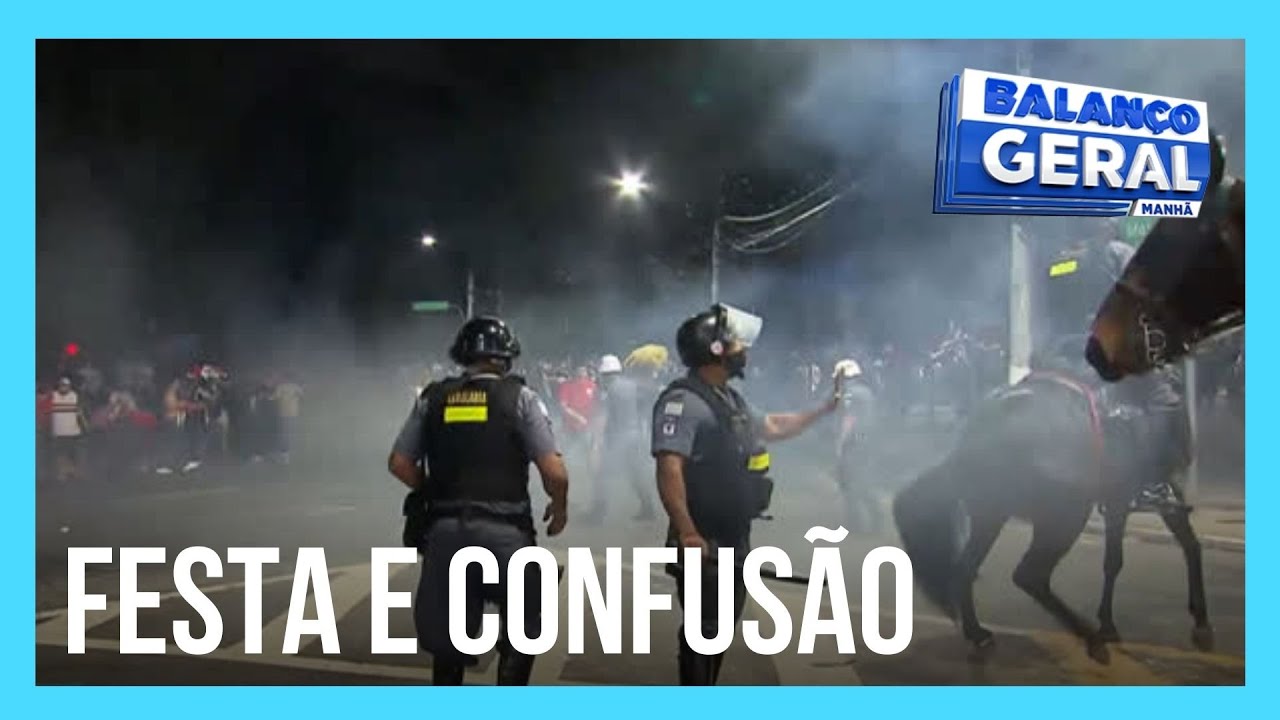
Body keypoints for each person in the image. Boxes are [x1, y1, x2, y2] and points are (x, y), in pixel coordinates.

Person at [651, 303, 840, 685]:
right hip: (702, 537)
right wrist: (687, 532)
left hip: (734, 535)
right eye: (736, 343)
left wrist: (822, 411)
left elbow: (770, 425)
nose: (744, 351)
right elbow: (670, 468)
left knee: (720, 627)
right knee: (704, 628)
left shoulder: (728, 400)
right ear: (715, 350)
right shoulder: (684, 402)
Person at [387, 316, 569, 686]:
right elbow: (555, 473)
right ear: (507, 358)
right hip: (506, 534)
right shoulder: (522, 398)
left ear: (462, 355)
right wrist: (560, 506)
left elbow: (400, 463)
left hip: (445, 533)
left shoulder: (433, 397)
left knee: (448, 640)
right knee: (524, 623)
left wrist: (432, 489)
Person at [588, 353, 657, 524]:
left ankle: (599, 512)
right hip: (635, 436)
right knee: (636, 473)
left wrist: (597, 443)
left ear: (605, 374)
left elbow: (603, 416)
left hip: (618, 438)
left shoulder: (607, 391)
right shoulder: (632, 386)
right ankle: (648, 508)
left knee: (603, 474)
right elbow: (644, 407)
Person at [832, 359, 882, 533]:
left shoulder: (850, 393)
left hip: (855, 443)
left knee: (851, 481)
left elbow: (849, 419)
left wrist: (840, 443)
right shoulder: (866, 392)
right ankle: (872, 520)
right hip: (868, 440)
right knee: (858, 480)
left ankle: (857, 524)